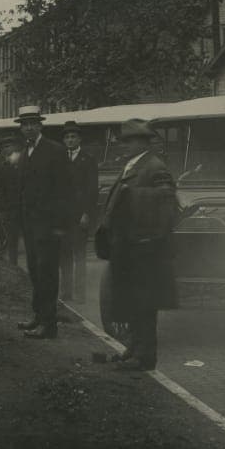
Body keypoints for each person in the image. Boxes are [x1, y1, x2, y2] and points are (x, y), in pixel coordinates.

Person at [96, 118, 178, 371]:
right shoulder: (132, 165)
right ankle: (132, 349)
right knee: (131, 302)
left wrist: (149, 239)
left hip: (143, 249)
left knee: (144, 304)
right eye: (123, 141)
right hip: (128, 247)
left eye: (129, 141)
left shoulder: (155, 167)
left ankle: (144, 357)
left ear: (143, 142)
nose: (124, 146)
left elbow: (166, 208)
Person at [15, 105, 72, 340]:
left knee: (48, 273)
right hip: (30, 224)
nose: (28, 127)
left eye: (32, 123)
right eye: (24, 124)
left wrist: (59, 225)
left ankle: (49, 325)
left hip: (48, 225)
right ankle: (38, 316)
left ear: (40, 125)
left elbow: (64, 190)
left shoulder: (55, 151)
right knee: (35, 271)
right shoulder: (25, 152)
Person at [58, 120, 99, 304]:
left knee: (79, 255)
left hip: (80, 215)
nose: (70, 140)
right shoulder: (59, 159)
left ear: (79, 139)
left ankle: (80, 293)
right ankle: (65, 292)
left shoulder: (88, 159)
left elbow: (92, 190)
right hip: (63, 216)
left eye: (73, 137)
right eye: (67, 137)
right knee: (64, 254)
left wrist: (86, 214)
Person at [0, 134, 23, 268]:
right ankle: (14, 268)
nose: (7, 149)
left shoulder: (26, 163)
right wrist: (1, 210)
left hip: (29, 208)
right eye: (4, 147)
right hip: (12, 208)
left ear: (16, 147)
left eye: (9, 146)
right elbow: (1, 190)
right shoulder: (3, 167)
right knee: (12, 239)